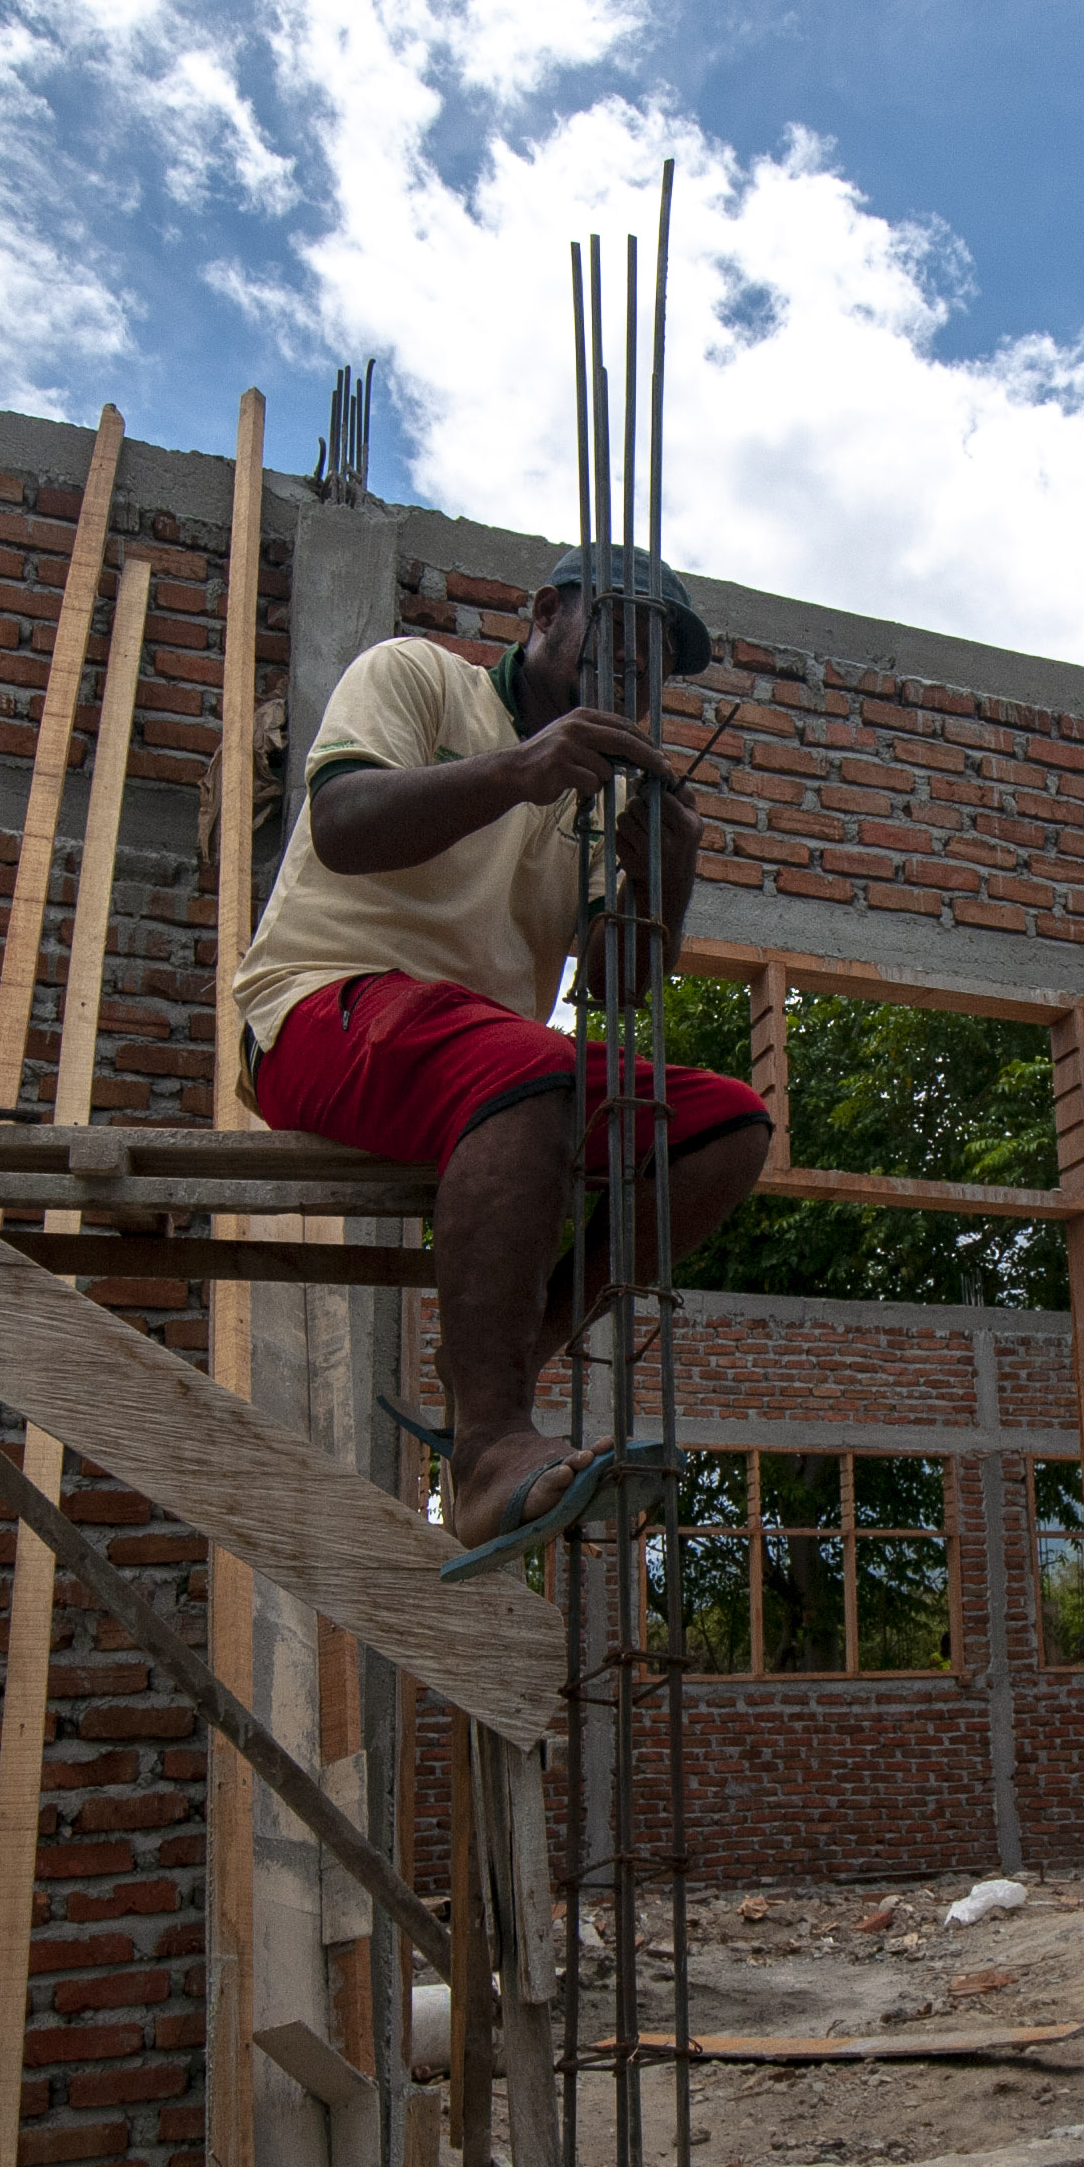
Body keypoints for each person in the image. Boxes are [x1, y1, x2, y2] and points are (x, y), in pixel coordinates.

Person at [235, 548, 769, 1575]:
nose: (634, 685)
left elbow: (617, 984)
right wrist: (518, 772)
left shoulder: (599, 798)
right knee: (527, 1067)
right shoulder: (417, 678)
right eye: (617, 647)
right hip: (319, 1012)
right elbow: (343, 826)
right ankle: (485, 1450)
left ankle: (512, 1352)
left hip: (486, 1073)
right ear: (542, 614)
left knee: (722, 1127)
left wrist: (669, 874)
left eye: (651, 673)